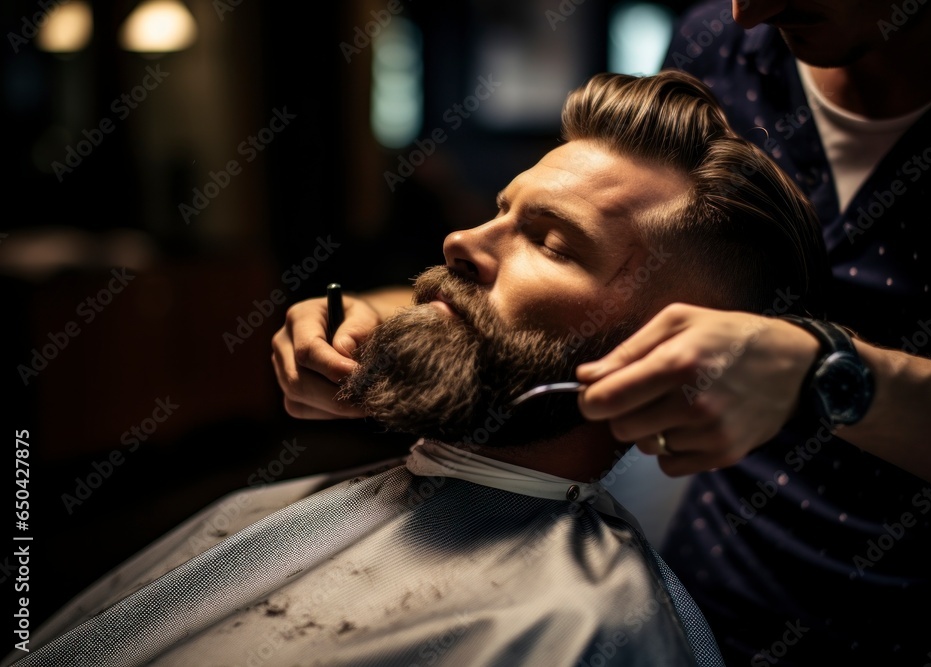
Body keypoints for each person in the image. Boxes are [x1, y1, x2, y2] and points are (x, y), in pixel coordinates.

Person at [3, 68, 832, 667]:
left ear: (667, 355)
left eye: (549, 240)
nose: (461, 241)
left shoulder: (584, 630)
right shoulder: (309, 498)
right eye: (499, 210)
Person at [272, 2, 931, 666]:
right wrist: (387, 318)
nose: (752, 9)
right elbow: (581, 296)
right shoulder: (725, 44)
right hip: (713, 571)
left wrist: (829, 374)